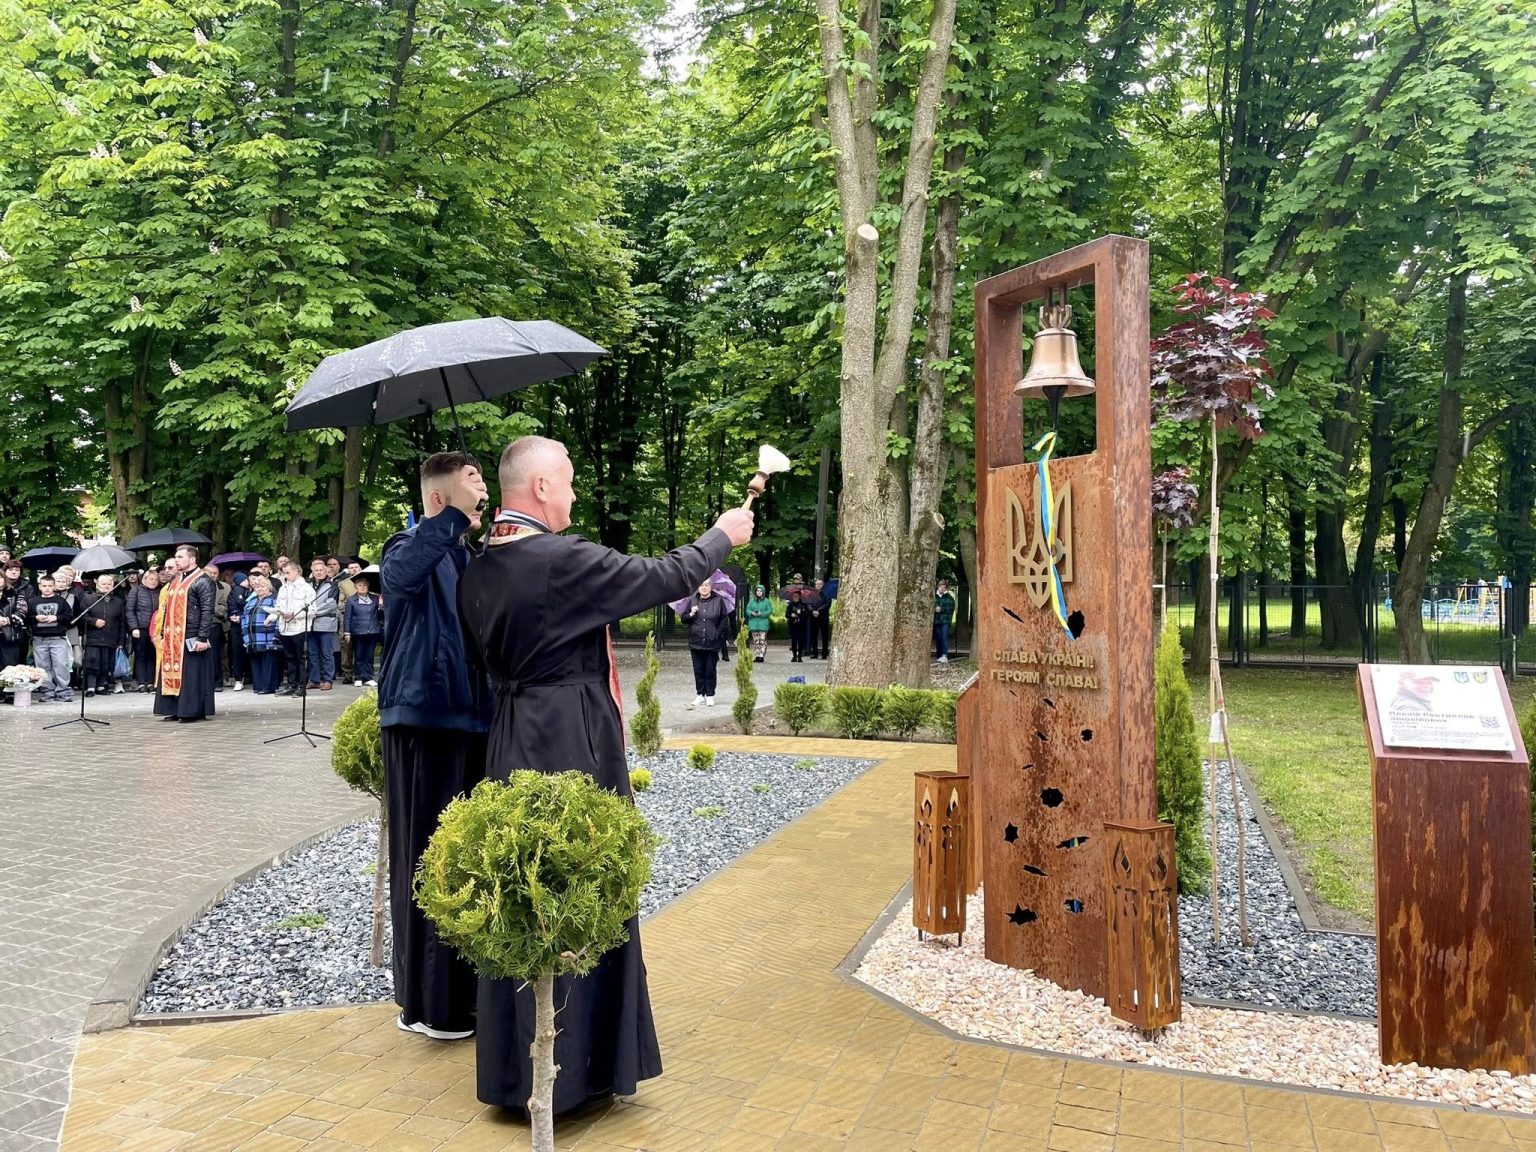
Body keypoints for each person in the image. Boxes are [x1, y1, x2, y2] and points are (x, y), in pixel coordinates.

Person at [459, 434, 754, 1115]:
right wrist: (722, 536)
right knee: (581, 885)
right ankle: (577, 1074)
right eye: (566, 480)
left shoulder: (478, 566)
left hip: (509, 737)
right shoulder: (558, 559)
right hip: (569, 737)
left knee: (520, 892)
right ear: (539, 488)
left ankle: (515, 1074)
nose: (573, 493)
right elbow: (660, 577)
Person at [379, 451, 491, 1043]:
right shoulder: (408, 545)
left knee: (467, 858)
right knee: (426, 859)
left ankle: (465, 993)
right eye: (473, 480)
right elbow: (401, 577)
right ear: (440, 497)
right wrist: (449, 522)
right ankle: (427, 1004)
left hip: (472, 722)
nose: (484, 487)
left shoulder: (469, 555)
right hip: (423, 722)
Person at [154, 544, 217, 722]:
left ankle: (192, 711)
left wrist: (202, 637)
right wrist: (162, 633)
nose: (176, 560)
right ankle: (175, 708)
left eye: (180, 557)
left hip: (191, 632)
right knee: (176, 672)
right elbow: (166, 609)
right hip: (172, 634)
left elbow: (207, 610)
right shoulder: (175, 580)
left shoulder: (203, 580)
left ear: (192, 559)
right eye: (176, 557)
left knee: (191, 674)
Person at [683, 577, 730, 707]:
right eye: (701, 585)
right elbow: (684, 619)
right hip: (696, 641)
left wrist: (717, 634)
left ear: (711, 587)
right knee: (698, 670)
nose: (704, 587)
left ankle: (709, 695)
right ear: (698, 587)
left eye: (706, 585)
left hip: (712, 642)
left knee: (710, 670)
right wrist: (691, 614)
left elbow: (724, 620)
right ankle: (700, 695)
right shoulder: (693, 601)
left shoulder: (718, 601)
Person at [30, 574, 73, 703]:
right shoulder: (32, 601)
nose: (47, 588)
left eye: (50, 586)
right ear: (39, 587)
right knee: (43, 666)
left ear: (54, 586)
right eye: (44, 586)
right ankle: (47, 691)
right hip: (39, 638)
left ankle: (63, 691)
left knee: (60, 665)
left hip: (58, 638)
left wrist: (57, 618)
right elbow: (26, 618)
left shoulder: (61, 601)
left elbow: (70, 617)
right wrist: (35, 618)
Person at [81, 574, 126, 696]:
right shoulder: (88, 599)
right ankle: (90, 687)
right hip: (93, 637)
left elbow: (122, 623)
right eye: (104, 584)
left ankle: (101, 685)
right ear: (97, 585)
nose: (106, 586)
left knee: (106, 664)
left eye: (109, 584)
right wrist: (93, 621)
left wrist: (121, 641)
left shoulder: (119, 602)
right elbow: (82, 617)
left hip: (111, 637)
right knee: (92, 662)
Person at [274, 560, 315, 695]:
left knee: (301, 658)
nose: (285, 576)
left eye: (288, 573)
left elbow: (312, 610)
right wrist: (273, 616)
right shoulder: (283, 588)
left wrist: (294, 615)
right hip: (285, 628)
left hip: (300, 628)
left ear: (296, 571)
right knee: (290, 658)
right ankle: (292, 684)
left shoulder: (306, 588)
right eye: (284, 573)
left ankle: (301, 686)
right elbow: (278, 606)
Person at [241, 574, 282, 694]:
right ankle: (258, 686)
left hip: (268, 636)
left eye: (262, 586)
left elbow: (279, 618)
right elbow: (244, 619)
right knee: (255, 662)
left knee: (268, 662)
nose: (260, 589)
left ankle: (268, 687)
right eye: (257, 587)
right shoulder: (251, 601)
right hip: (252, 638)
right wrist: (245, 637)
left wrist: (276, 634)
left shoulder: (274, 600)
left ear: (268, 587)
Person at [342, 574, 382, 686]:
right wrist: (347, 632)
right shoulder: (351, 600)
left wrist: (381, 606)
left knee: (369, 655)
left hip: (372, 630)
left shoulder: (375, 598)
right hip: (357, 631)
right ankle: (358, 677)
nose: (362, 587)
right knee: (359, 655)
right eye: (360, 585)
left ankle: (368, 677)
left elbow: (380, 615)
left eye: (364, 585)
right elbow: (347, 617)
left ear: (368, 586)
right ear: (356, 587)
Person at [307, 557, 340, 690]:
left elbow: (331, 604)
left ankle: (328, 680)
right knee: (312, 654)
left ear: (326, 571)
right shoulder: (307, 584)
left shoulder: (332, 585)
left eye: (321, 570)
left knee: (327, 654)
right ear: (312, 571)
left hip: (326, 624)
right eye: (316, 570)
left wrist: (314, 612)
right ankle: (314, 680)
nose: (319, 572)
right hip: (310, 624)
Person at [126, 569, 160, 691]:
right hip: (140, 628)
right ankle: (141, 683)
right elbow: (130, 610)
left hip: (155, 628)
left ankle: (150, 682)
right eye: (151, 579)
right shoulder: (136, 590)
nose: (154, 581)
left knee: (152, 655)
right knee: (140, 655)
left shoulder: (159, 591)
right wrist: (134, 627)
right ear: (145, 579)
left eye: (156, 580)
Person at [205, 563, 230, 691]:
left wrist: (207, 608)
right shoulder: (197, 585)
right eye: (210, 573)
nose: (212, 575)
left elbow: (224, 608)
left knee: (218, 655)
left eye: (215, 573)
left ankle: (218, 681)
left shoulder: (225, 587)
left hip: (217, 624)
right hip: (199, 625)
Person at [333, 557, 357, 684]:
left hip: (365, 617)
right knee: (346, 644)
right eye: (351, 568)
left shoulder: (368, 581)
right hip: (346, 615)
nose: (353, 570)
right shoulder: (343, 583)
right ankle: (348, 672)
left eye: (356, 567)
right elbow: (340, 603)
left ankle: (362, 672)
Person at [0, 570, 28, 671]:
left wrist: (8, 620)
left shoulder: (16, 594)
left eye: (0, 577)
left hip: (10, 637)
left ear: (4, 579)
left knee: (10, 670)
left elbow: (22, 612)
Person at [226, 572, 249, 691]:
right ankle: (239, 678)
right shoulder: (238, 589)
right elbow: (240, 602)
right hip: (238, 623)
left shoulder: (247, 590)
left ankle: (244, 678)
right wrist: (249, 604)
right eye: (245, 580)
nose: (247, 582)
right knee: (238, 652)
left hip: (242, 622)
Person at [745, 583, 773, 662]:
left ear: (763, 592)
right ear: (755, 592)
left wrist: (762, 613)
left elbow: (770, 611)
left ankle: (761, 656)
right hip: (753, 624)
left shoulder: (766, 601)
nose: (759, 592)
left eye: (761, 591)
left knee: (762, 641)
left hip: (763, 624)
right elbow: (747, 610)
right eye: (758, 591)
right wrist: (752, 613)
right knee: (756, 641)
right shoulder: (752, 601)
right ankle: (757, 655)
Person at [933, 579, 956, 664]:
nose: (942, 589)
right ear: (938, 587)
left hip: (945, 621)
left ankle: (944, 655)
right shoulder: (934, 596)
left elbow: (950, 609)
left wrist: (941, 609)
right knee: (938, 638)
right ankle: (939, 655)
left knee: (944, 638)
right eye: (941, 587)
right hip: (936, 621)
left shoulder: (949, 598)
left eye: (944, 587)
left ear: (946, 588)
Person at [785, 588, 810, 662]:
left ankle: (799, 656)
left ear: (799, 596)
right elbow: (786, 615)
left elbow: (807, 614)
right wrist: (791, 615)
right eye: (794, 596)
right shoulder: (790, 605)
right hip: (793, 626)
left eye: (796, 596)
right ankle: (794, 656)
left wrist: (801, 612)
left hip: (801, 626)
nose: (795, 597)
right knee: (794, 641)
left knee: (800, 641)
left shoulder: (803, 605)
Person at [811, 577, 832, 659]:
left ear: (823, 585)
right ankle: (814, 653)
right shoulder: (812, 594)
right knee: (813, 636)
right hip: (814, 616)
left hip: (823, 617)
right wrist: (812, 611)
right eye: (817, 584)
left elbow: (827, 604)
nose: (818, 585)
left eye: (820, 584)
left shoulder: (827, 594)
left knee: (825, 636)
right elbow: (808, 603)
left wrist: (819, 610)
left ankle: (824, 654)